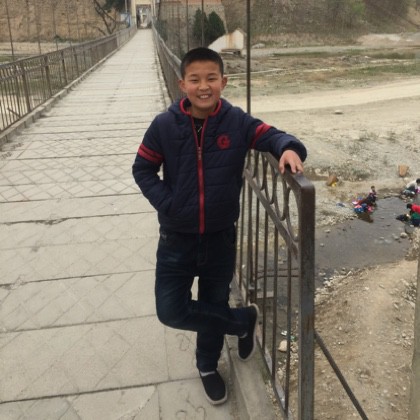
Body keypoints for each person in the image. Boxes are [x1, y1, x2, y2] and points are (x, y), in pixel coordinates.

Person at [132, 47, 306, 405]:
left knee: (213, 301)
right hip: (175, 238)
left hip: (219, 238)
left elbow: (271, 135)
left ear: (223, 82)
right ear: (182, 84)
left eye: (211, 78)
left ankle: (207, 366)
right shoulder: (164, 125)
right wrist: (170, 204)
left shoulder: (236, 122)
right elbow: (143, 169)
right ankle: (242, 322)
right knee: (171, 310)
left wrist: (289, 148)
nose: (203, 86)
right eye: (195, 79)